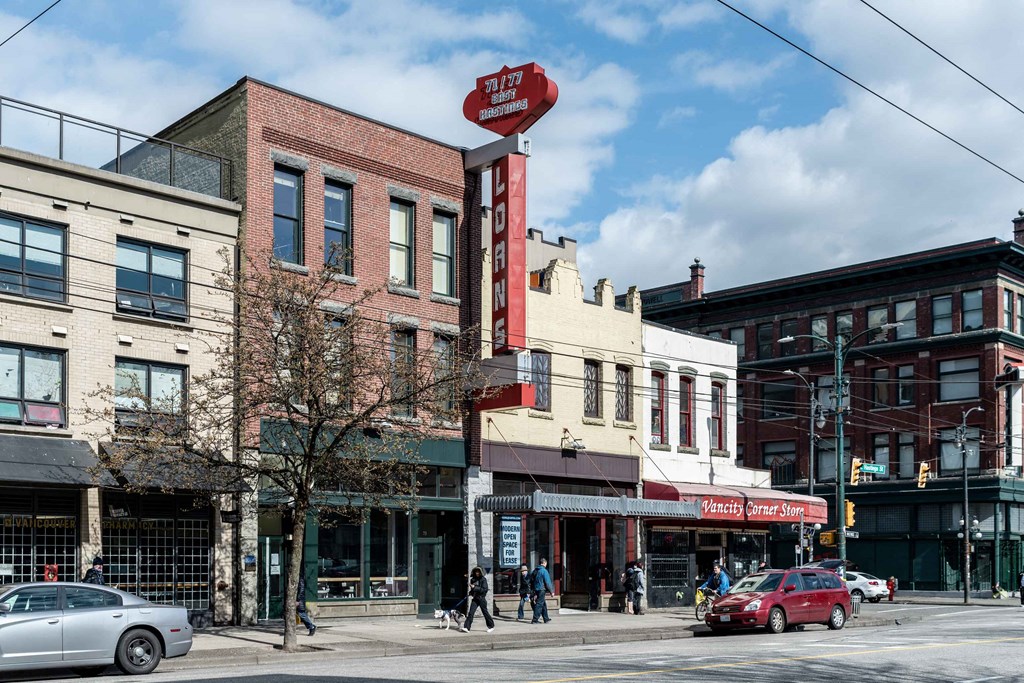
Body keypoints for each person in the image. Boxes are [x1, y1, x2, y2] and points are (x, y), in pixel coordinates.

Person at [461, 566, 494, 633]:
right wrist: (471, 592)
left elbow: (484, 590)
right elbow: (473, 590)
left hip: (481, 599)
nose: (477, 573)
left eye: (478, 571)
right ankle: (466, 627)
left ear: (480, 572)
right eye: (476, 571)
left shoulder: (483, 579)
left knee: (485, 613)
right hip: (475, 599)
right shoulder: (473, 579)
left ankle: (491, 626)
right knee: (471, 613)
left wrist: (475, 587)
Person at [531, 557, 554, 624]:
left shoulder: (535, 570)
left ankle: (546, 618)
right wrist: (551, 591)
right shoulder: (544, 571)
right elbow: (548, 582)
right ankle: (535, 620)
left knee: (543, 604)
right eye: (546, 563)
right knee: (539, 604)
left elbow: (531, 580)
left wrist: (533, 590)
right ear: (544, 563)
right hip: (541, 589)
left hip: (536, 589)